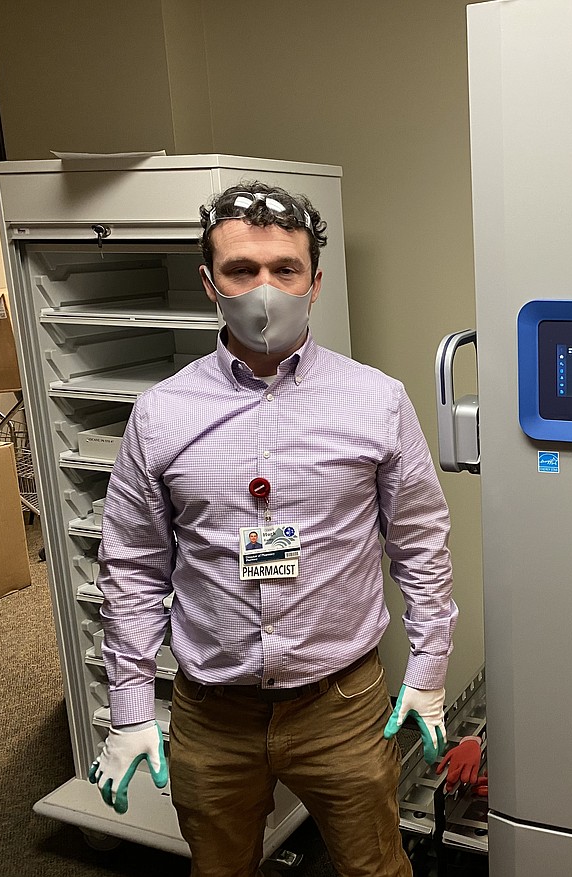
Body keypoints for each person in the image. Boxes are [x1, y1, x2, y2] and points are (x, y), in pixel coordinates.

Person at [88, 182, 457, 877]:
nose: (265, 289)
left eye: (284, 269)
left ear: (315, 281)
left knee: (376, 868)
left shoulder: (376, 401)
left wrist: (430, 667)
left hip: (341, 703)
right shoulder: (162, 415)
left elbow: (420, 542)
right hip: (212, 711)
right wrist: (131, 707)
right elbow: (133, 567)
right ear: (209, 283)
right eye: (241, 270)